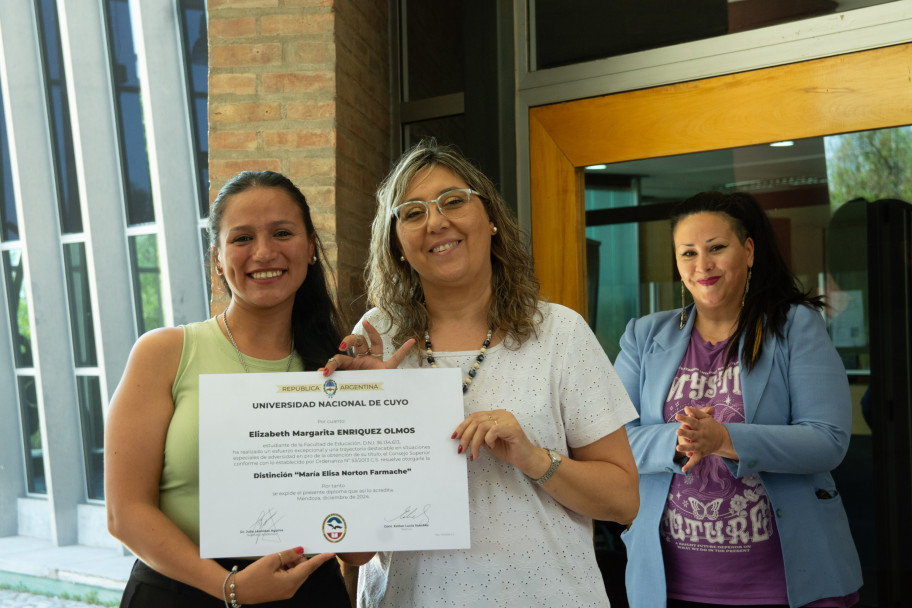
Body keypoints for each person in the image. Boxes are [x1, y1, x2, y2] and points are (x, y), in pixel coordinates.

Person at [324, 139, 640, 607]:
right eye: (411, 212)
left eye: (453, 201)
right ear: (396, 243)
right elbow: (354, 550)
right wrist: (370, 415)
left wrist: (534, 459)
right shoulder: (375, 336)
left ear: (490, 218)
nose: (435, 221)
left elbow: (624, 501)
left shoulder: (559, 332)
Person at [105, 171, 353, 607]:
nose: (264, 252)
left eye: (282, 233)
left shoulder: (336, 367)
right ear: (217, 257)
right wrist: (230, 587)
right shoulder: (163, 353)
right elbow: (124, 513)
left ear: (311, 247)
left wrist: (382, 404)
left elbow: (358, 549)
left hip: (308, 593)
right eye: (242, 239)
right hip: (181, 591)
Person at [615, 191, 863, 607]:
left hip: (786, 588)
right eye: (688, 253)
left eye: (716, 248)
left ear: (748, 251)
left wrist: (723, 438)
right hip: (669, 587)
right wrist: (680, 439)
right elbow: (611, 439)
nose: (702, 265)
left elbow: (827, 439)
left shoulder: (794, 326)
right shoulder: (644, 336)